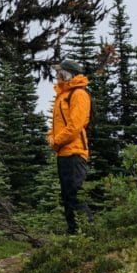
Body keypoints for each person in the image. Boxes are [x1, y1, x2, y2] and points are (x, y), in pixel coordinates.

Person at [47, 58, 93, 235]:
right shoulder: (63, 94)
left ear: (68, 73)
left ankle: (86, 231)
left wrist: (56, 141)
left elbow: (75, 126)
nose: (57, 75)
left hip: (74, 152)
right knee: (67, 195)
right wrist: (51, 137)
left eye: (60, 72)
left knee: (75, 193)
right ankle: (74, 232)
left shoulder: (79, 94)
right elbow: (59, 124)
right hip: (64, 153)